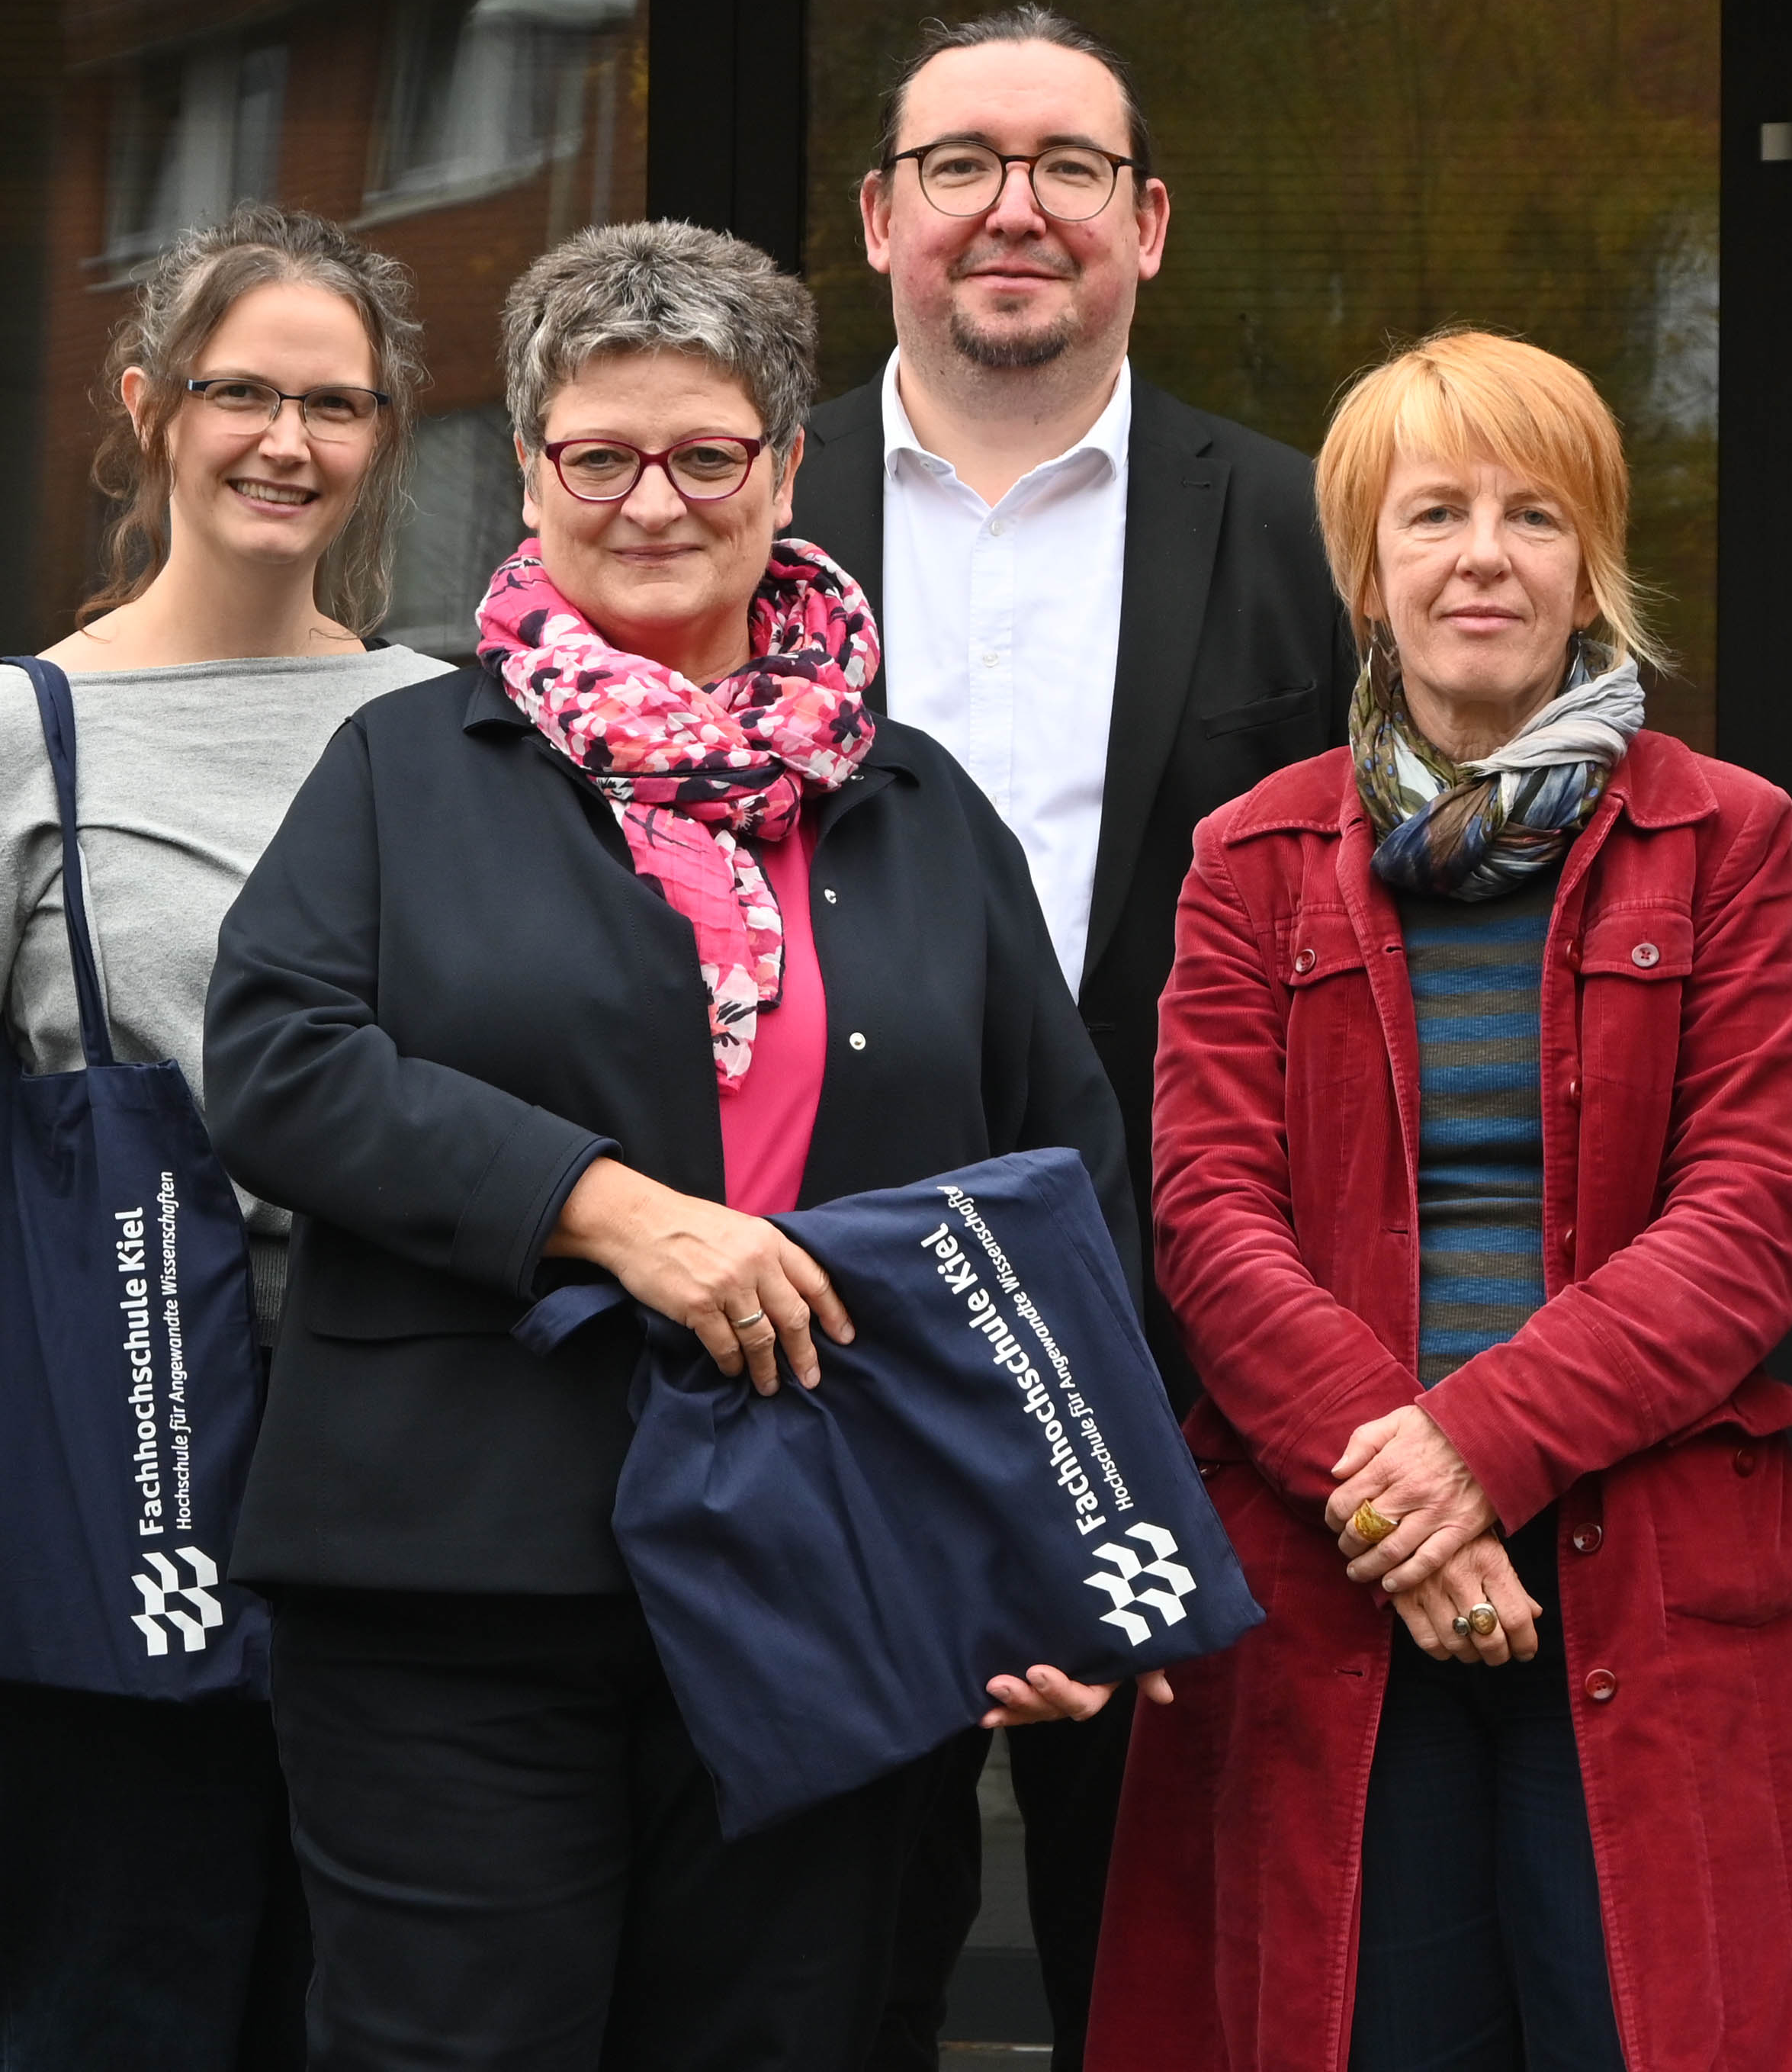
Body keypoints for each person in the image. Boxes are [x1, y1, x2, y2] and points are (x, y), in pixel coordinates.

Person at [202, 219, 1141, 2072]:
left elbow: (1065, 1178)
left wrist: (1054, 1547)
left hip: (838, 1572)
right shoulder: (404, 765)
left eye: (706, 451)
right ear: (532, 467)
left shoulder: (917, 801)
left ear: (787, 468)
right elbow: (277, 1060)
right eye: (598, 453)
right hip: (453, 1583)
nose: (654, 498)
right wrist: (605, 1209)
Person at [1094, 327, 1792, 2072]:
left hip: (1656, 1579)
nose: (1484, 552)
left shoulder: (1728, 837)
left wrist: (1476, 1451)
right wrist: (1410, 1502)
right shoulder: (1252, 853)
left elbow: (1751, 1216)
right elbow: (1209, 1218)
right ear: (1363, 574)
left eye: (1535, 514)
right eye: (1434, 512)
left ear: (1590, 559)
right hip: (1337, 1573)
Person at [786, 4, 1352, 2070]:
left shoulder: (1297, 532)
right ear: (880, 220)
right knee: (825, 1944)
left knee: (1178, 1952)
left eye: (1068, 169)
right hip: (811, 1323)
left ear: (1153, 223)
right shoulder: (744, 520)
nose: (1013, 210)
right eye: (960, 166)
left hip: (1179, 1330)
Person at [0, 204, 445, 2070]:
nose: (288, 439)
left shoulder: (446, 730)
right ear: (146, 408)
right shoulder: (1, 738)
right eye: (242, 392)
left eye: (337, 404)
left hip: (396, 1442)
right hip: (98, 1439)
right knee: (111, 1986)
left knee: (357, 1997)